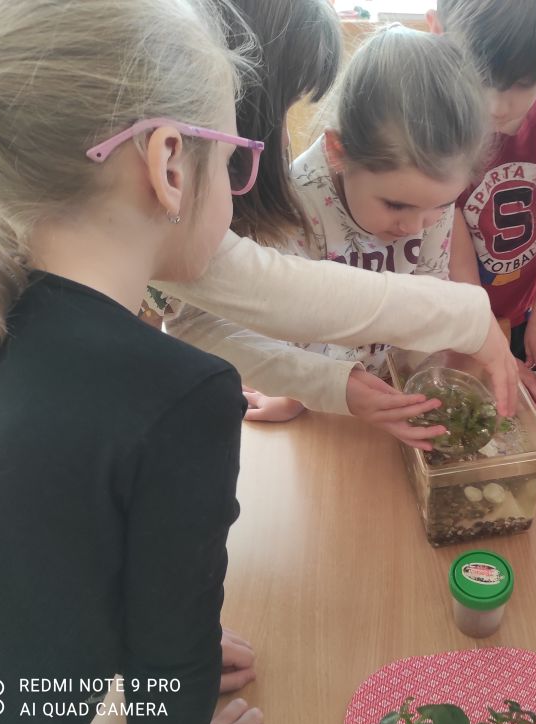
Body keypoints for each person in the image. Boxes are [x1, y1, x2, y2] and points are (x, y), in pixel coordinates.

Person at [0, 0, 268, 724]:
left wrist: (134, 643)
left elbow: (22, 575)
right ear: (170, 164)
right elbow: (169, 676)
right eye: (232, 161)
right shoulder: (185, 397)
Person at [176, 24, 489, 438]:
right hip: (325, 398)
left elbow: (431, 289)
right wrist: (300, 393)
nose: (415, 226)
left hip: (387, 389)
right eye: (396, 206)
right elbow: (284, 321)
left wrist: (424, 374)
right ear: (338, 152)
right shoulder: (298, 198)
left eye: (441, 206)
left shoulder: (429, 199)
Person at [429, 0, 536, 400]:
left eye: (524, 83)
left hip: (519, 309)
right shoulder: (437, 115)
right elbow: (450, 236)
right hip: (455, 312)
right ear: (438, 32)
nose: (498, 106)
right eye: (479, 77)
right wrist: (482, 334)